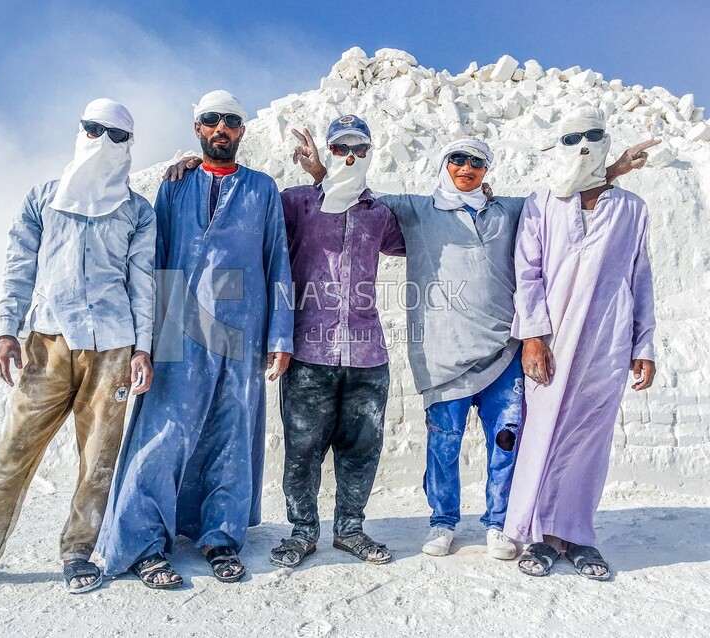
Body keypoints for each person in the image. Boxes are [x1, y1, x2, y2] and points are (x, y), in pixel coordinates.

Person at [296, 130, 655, 561]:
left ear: (487, 170)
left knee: (506, 439)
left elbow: (566, 192)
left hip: (502, 350)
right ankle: (442, 521)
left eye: (476, 162)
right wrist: (321, 171)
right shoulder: (416, 210)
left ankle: (498, 522)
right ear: (444, 165)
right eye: (457, 160)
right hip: (441, 354)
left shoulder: (513, 210)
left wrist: (612, 168)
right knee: (443, 443)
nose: (466, 169)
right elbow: (356, 196)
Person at [0, 98, 156, 601]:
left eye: (116, 135)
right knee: (13, 448)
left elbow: (143, 283)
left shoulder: (137, 211)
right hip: (47, 342)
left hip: (112, 348)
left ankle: (77, 552)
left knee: (97, 458)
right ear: (80, 130)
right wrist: (7, 330)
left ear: (129, 145)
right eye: (94, 129)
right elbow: (19, 266)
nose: (103, 143)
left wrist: (143, 347)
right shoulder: (44, 199)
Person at [96, 90, 294, 587]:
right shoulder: (175, 187)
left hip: (241, 331)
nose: (221, 128)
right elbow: (152, 262)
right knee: (161, 436)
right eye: (211, 120)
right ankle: (143, 543)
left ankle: (220, 539)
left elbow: (279, 265)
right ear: (198, 128)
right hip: (177, 328)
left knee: (231, 435)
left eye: (230, 121)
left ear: (242, 131)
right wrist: (143, 338)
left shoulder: (262, 189)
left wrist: (281, 335)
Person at [505, 106, 656, 580]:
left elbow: (641, 278)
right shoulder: (543, 202)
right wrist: (532, 336)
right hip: (552, 340)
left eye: (594, 136)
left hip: (608, 342)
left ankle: (579, 536)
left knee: (591, 439)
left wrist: (643, 346)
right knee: (543, 433)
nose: (584, 146)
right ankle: (540, 535)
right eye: (572, 138)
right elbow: (526, 274)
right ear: (558, 146)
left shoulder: (632, 209)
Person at [269, 115, 405, 568]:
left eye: (360, 149)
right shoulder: (297, 204)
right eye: (341, 147)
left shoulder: (379, 215)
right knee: (302, 447)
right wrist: (196, 167)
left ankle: (350, 529)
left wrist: (477, 196)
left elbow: (432, 233)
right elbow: (247, 209)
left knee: (362, 447)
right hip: (309, 350)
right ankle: (303, 531)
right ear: (328, 151)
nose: (351, 156)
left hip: (367, 353)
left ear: (370, 153)